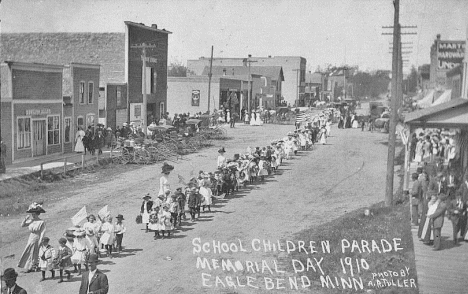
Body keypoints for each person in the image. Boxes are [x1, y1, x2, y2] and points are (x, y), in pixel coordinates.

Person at [18, 203, 47, 273]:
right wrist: (25, 219)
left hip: (37, 237)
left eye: (34, 214)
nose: (33, 215)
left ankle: (32, 266)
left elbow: (43, 232)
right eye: (32, 214)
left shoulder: (41, 222)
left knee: (34, 252)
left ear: (37, 214)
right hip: (31, 237)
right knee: (28, 251)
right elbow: (22, 225)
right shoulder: (31, 221)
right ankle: (28, 266)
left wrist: (40, 240)